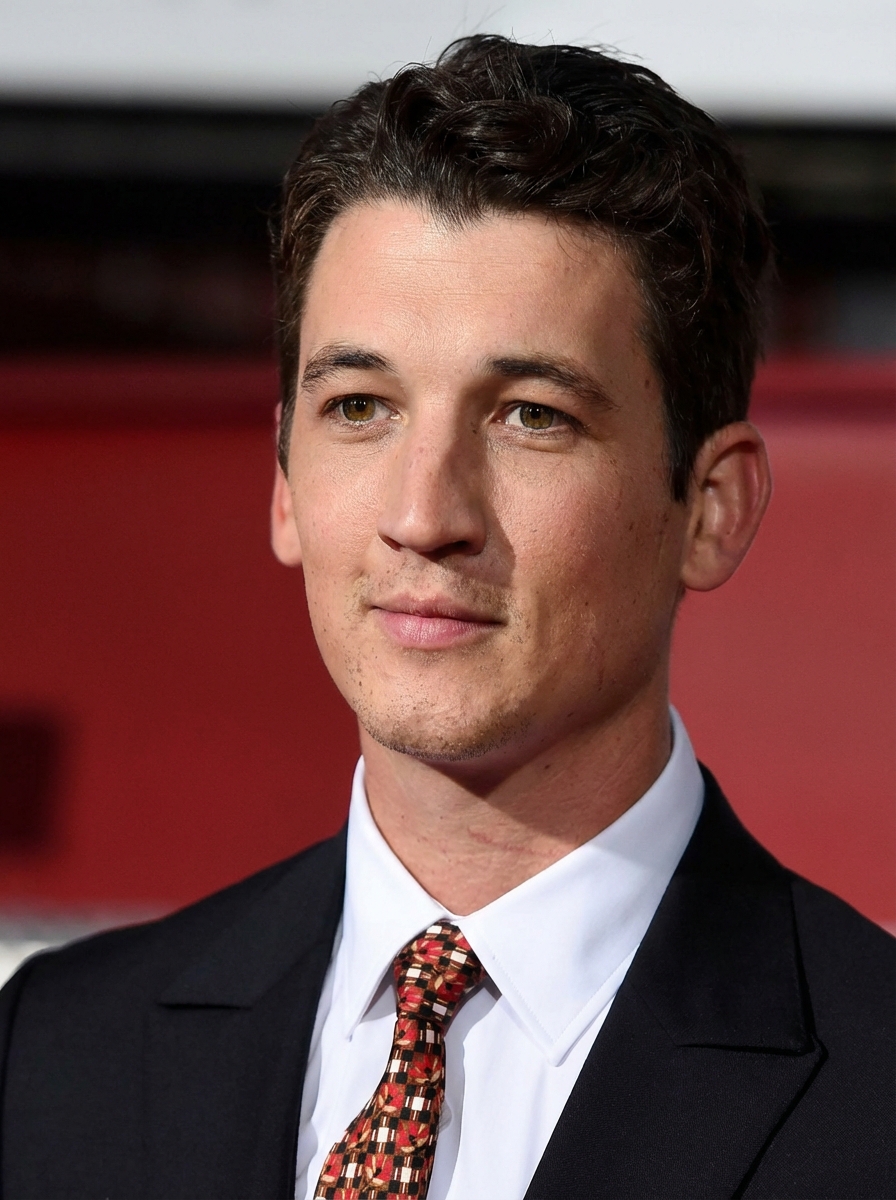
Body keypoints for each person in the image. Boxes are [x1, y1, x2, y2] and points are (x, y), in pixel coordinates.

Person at [1, 35, 892, 1200]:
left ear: (710, 509)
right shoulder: (56, 1059)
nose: (424, 516)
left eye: (530, 417)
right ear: (283, 484)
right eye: (358, 407)